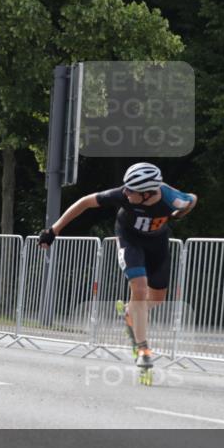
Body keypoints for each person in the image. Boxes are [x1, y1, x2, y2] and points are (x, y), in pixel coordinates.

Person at [37, 163, 197, 385]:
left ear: (148, 193)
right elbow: (84, 202)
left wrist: (178, 214)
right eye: (126, 188)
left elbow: (192, 200)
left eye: (132, 190)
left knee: (157, 299)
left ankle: (130, 313)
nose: (126, 192)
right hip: (129, 240)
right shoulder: (121, 195)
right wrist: (53, 230)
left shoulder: (172, 198)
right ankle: (143, 352)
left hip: (157, 245)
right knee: (139, 289)